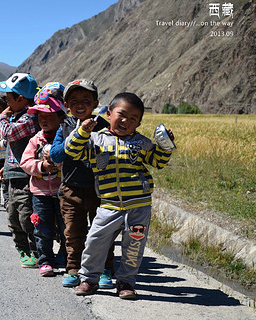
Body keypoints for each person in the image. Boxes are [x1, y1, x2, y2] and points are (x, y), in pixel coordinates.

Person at [65, 92, 175, 299]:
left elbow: (158, 161)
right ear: (109, 113)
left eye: (134, 118)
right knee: (95, 241)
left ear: (139, 124)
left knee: (134, 245)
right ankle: (88, 279)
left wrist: (166, 145)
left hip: (139, 206)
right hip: (108, 204)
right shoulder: (95, 140)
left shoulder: (141, 143)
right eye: (122, 114)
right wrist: (81, 132)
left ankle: (126, 282)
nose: (126, 121)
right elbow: (71, 151)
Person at [49, 79, 115, 288]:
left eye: (86, 100)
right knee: (73, 234)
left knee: (103, 233)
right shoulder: (65, 126)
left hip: (100, 191)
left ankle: (104, 270)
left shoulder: (105, 126)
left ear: (95, 103)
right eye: (74, 100)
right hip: (71, 190)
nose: (80, 104)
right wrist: (78, 136)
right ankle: (74, 270)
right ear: (66, 106)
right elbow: (56, 154)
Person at [20, 84, 67, 277]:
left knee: (66, 227)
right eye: (40, 117)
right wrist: (41, 167)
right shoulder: (35, 140)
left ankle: (65, 256)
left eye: (49, 116)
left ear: (61, 118)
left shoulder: (67, 140)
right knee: (42, 227)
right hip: (40, 193)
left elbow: (73, 161)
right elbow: (25, 162)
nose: (44, 120)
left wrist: (58, 166)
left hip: (63, 192)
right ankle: (45, 260)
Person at [0, 73, 40, 268]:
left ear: (20, 98)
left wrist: (1, 117)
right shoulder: (18, 115)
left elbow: (9, 133)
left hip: (24, 175)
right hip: (13, 173)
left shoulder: (30, 117)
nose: (6, 101)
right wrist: (5, 168)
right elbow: (13, 149)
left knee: (25, 214)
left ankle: (36, 250)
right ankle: (22, 249)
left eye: (8, 97)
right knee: (12, 214)